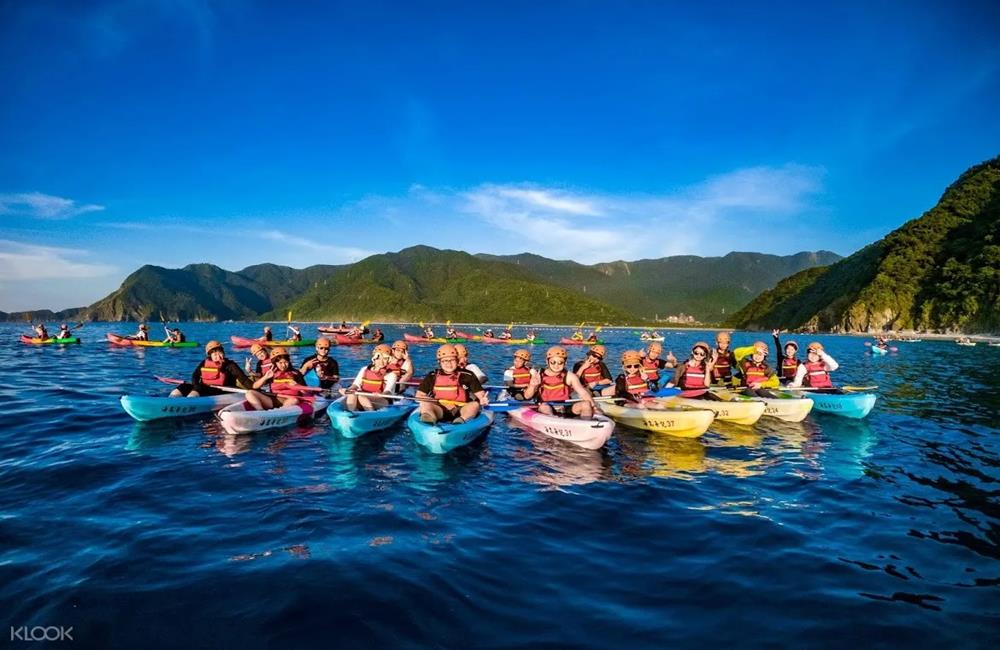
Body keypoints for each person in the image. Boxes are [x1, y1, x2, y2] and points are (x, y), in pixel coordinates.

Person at [416, 344, 488, 425]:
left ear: (457, 360)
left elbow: (480, 393)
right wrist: (441, 403)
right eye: (445, 361)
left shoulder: (468, 375)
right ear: (439, 362)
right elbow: (419, 395)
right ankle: (429, 420)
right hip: (439, 408)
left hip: (462, 409)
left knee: (475, 405)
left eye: (452, 360)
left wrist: (482, 398)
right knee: (424, 403)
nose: (449, 364)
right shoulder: (432, 375)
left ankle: (461, 421)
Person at [523, 346, 596, 418]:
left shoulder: (570, 376)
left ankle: (587, 424)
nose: (556, 365)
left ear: (565, 362)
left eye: (560, 363)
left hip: (565, 406)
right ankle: (553, 421)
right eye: (553, 362)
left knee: (586, 404)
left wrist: (594, 407)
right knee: (544, 407)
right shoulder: (539, 375)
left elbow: (583, 393)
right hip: (546, 406)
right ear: (547, 362)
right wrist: (532, 386)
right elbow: (527, 396)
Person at [170, 341, 252, 397]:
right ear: (210, 356)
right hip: (204, 390)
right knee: (183, 386)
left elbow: (244, 380)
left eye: (220, 352)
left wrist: (254, 389)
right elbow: (195, 375)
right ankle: (170, 400)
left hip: (223, 392)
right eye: (215, 354)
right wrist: (195, 385)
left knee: (199, 388)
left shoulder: (230, 365)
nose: (218, 356)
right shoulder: (204, 363)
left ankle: (188, 403)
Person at [245, 347, 311, 410]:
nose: (283, 365)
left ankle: (279, 412)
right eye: (280, 363)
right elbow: (255, 386)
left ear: (289, 361)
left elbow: (306, 392)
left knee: (294, 400)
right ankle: (260, 411)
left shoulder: (296, 373)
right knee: (249, 393)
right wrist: (265, 377)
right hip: (274, 400)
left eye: (286, 362)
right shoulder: (272, 373)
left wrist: (297, 386)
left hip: (290, 400)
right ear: (275, 363)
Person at [342, 344, 399, 412]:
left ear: (389, 360)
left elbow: (388, 391)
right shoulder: (364, 369)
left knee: (361, 397)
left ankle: (370, 413)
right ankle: (350, 414)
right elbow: (356, 385)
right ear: (374, 358)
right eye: (379, 358)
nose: (381, 362)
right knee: (352, 395)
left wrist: (381, 395)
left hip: (381, 400)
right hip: (363, 396)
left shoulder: (391, 375)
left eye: (385, 359)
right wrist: (349, 389)